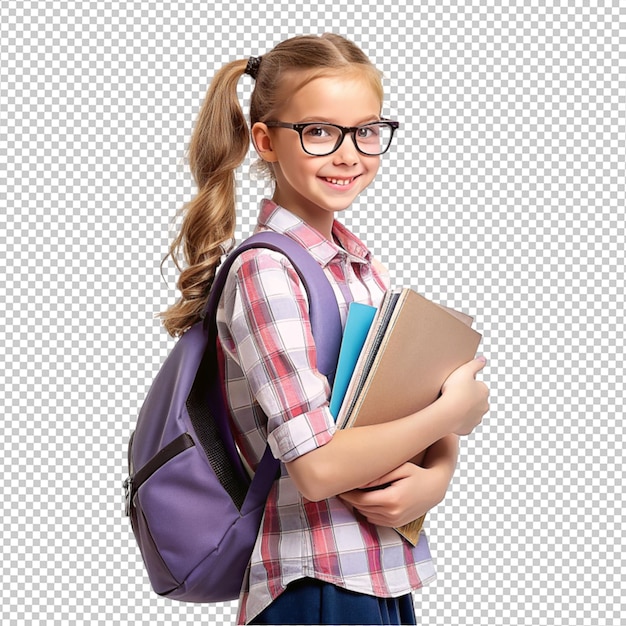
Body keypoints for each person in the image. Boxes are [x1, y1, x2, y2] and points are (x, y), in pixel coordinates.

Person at [160, 33, 489, 626]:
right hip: (314, 581)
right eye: (319, 132)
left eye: (366, 130)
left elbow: (394, 411)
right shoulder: (269, 271)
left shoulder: (361, 269)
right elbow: (316, 469)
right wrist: (452, 415)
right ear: (265, 141)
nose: (349, 154)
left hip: (380, 572)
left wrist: (437, 476)